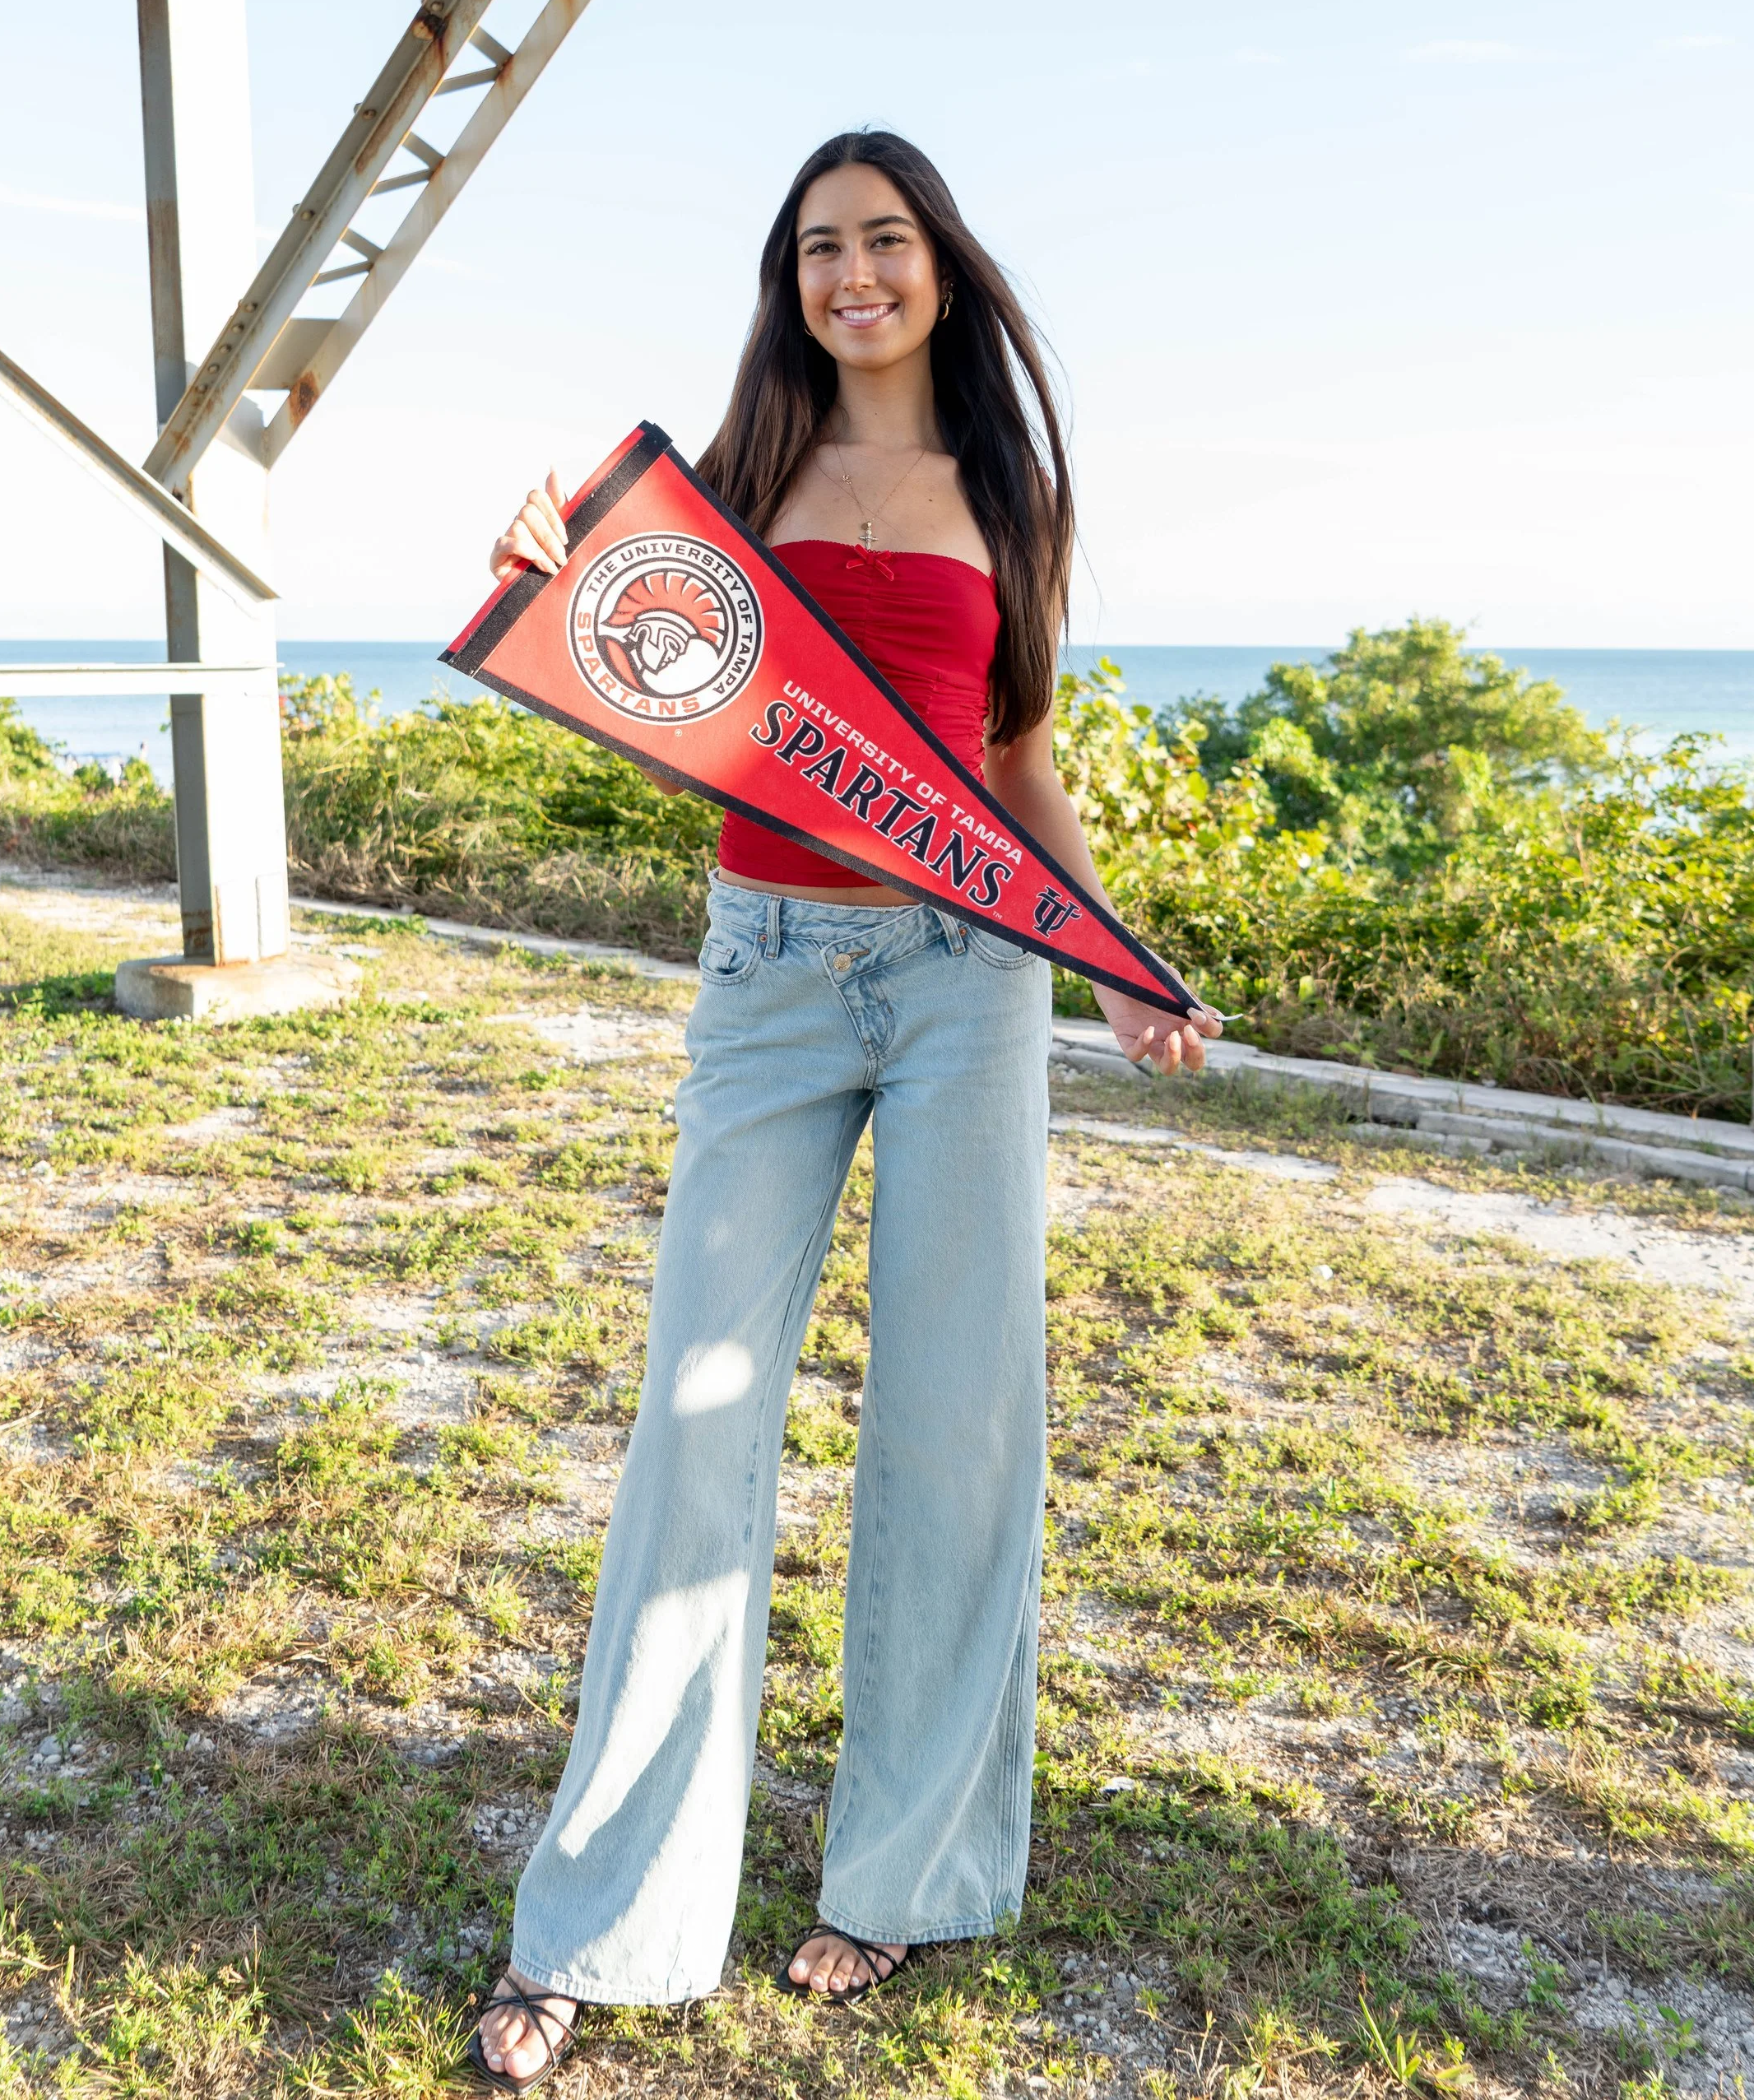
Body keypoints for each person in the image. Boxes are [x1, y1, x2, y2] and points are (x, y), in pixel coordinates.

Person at [472, 130, 1217, 2085]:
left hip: (973, 984)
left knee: (957, 1423)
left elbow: (1017, 771)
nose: (853, 273)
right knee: (691, 1416)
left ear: (942, 269)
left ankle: (903, 1878)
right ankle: (608, 1920)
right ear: (785, 277)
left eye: (885, 241)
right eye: (819, 246)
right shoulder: (733, 486)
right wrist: (558, 584)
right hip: (769, 972)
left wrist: (1121, 958)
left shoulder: (1011, 493)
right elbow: (667, 699)